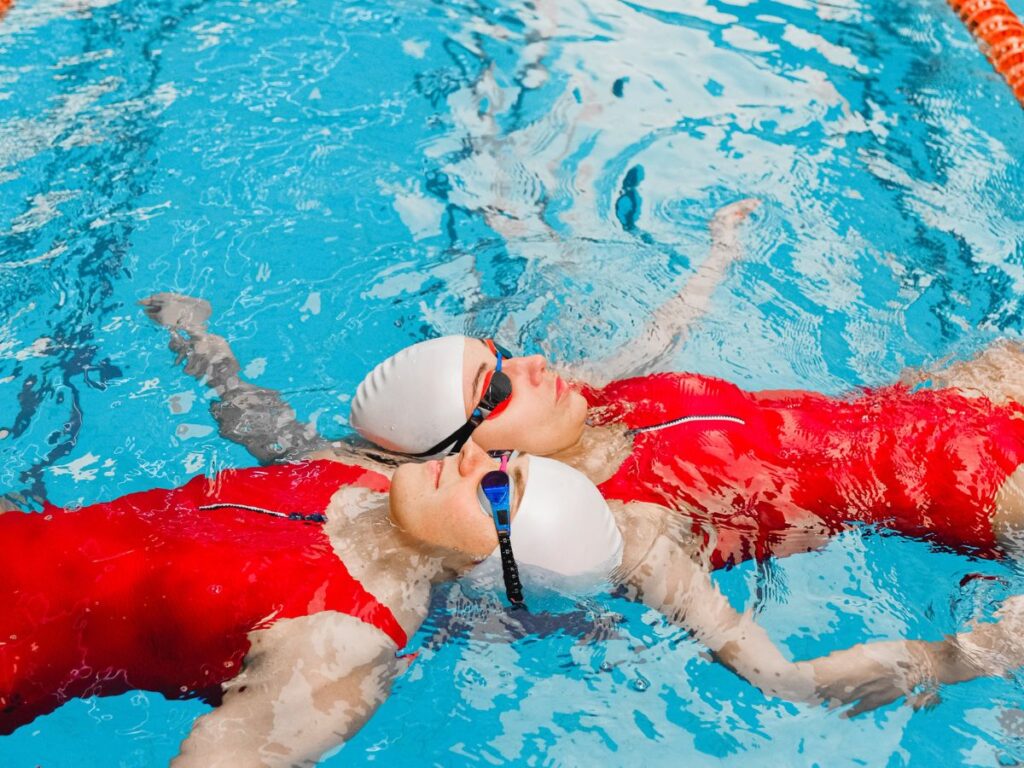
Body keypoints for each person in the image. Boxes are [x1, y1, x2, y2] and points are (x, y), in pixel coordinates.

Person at [5, 440, 998, 767]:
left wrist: (956, 657)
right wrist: (209, 357)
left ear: (494, 571)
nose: (473, 454)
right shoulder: (358, 476)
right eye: (500, 460)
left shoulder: (343, 647)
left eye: (494, 491)